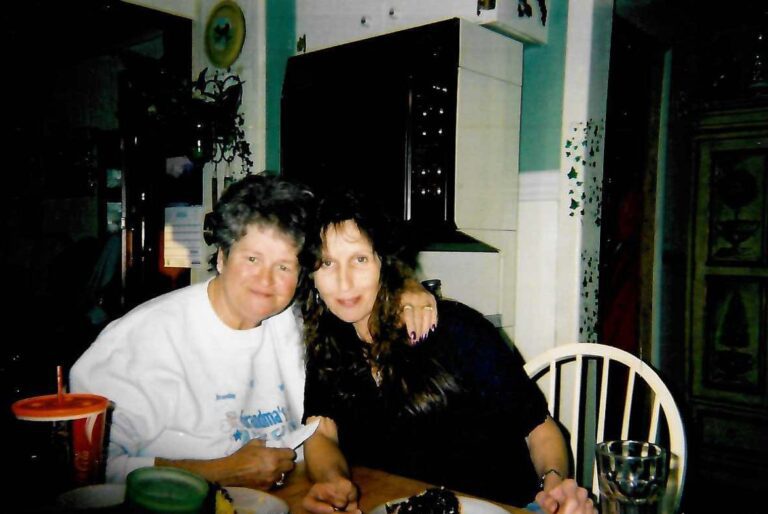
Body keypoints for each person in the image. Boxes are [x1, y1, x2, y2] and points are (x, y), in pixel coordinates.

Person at [70, 174, 437, 489]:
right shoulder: (143, 340)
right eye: (252, 259)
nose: (266, 280)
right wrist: (218, 472)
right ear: (221, 256)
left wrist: (405, 287)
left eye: (284, 266)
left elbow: (360, 292)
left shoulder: (297, 323)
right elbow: (86, 467)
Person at [299, 190, 596, 514]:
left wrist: (553, 484)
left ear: (384, 262)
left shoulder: (457, 331)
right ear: (312, 274)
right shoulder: (328, 345)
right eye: (327, 263)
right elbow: (321, 432)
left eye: (359, 259)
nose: (344, 282)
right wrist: (332, 481)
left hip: (502, 505)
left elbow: (538, 427)